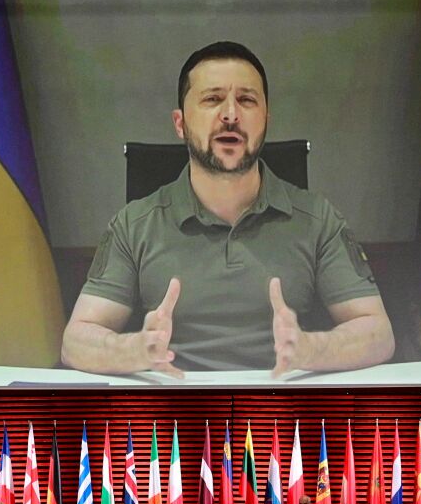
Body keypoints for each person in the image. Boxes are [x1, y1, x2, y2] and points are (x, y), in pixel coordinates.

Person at [60, 40, 394, 377]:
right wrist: (134, 350)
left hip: (283, 412)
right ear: (180, 123)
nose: (231, 115)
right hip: (174, 413)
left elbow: (379, 334)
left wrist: (311, 349)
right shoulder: (133, 225)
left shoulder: (318, 220)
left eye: (247, 100)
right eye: (212, 99)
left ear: (266, 119)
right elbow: (75, 342)